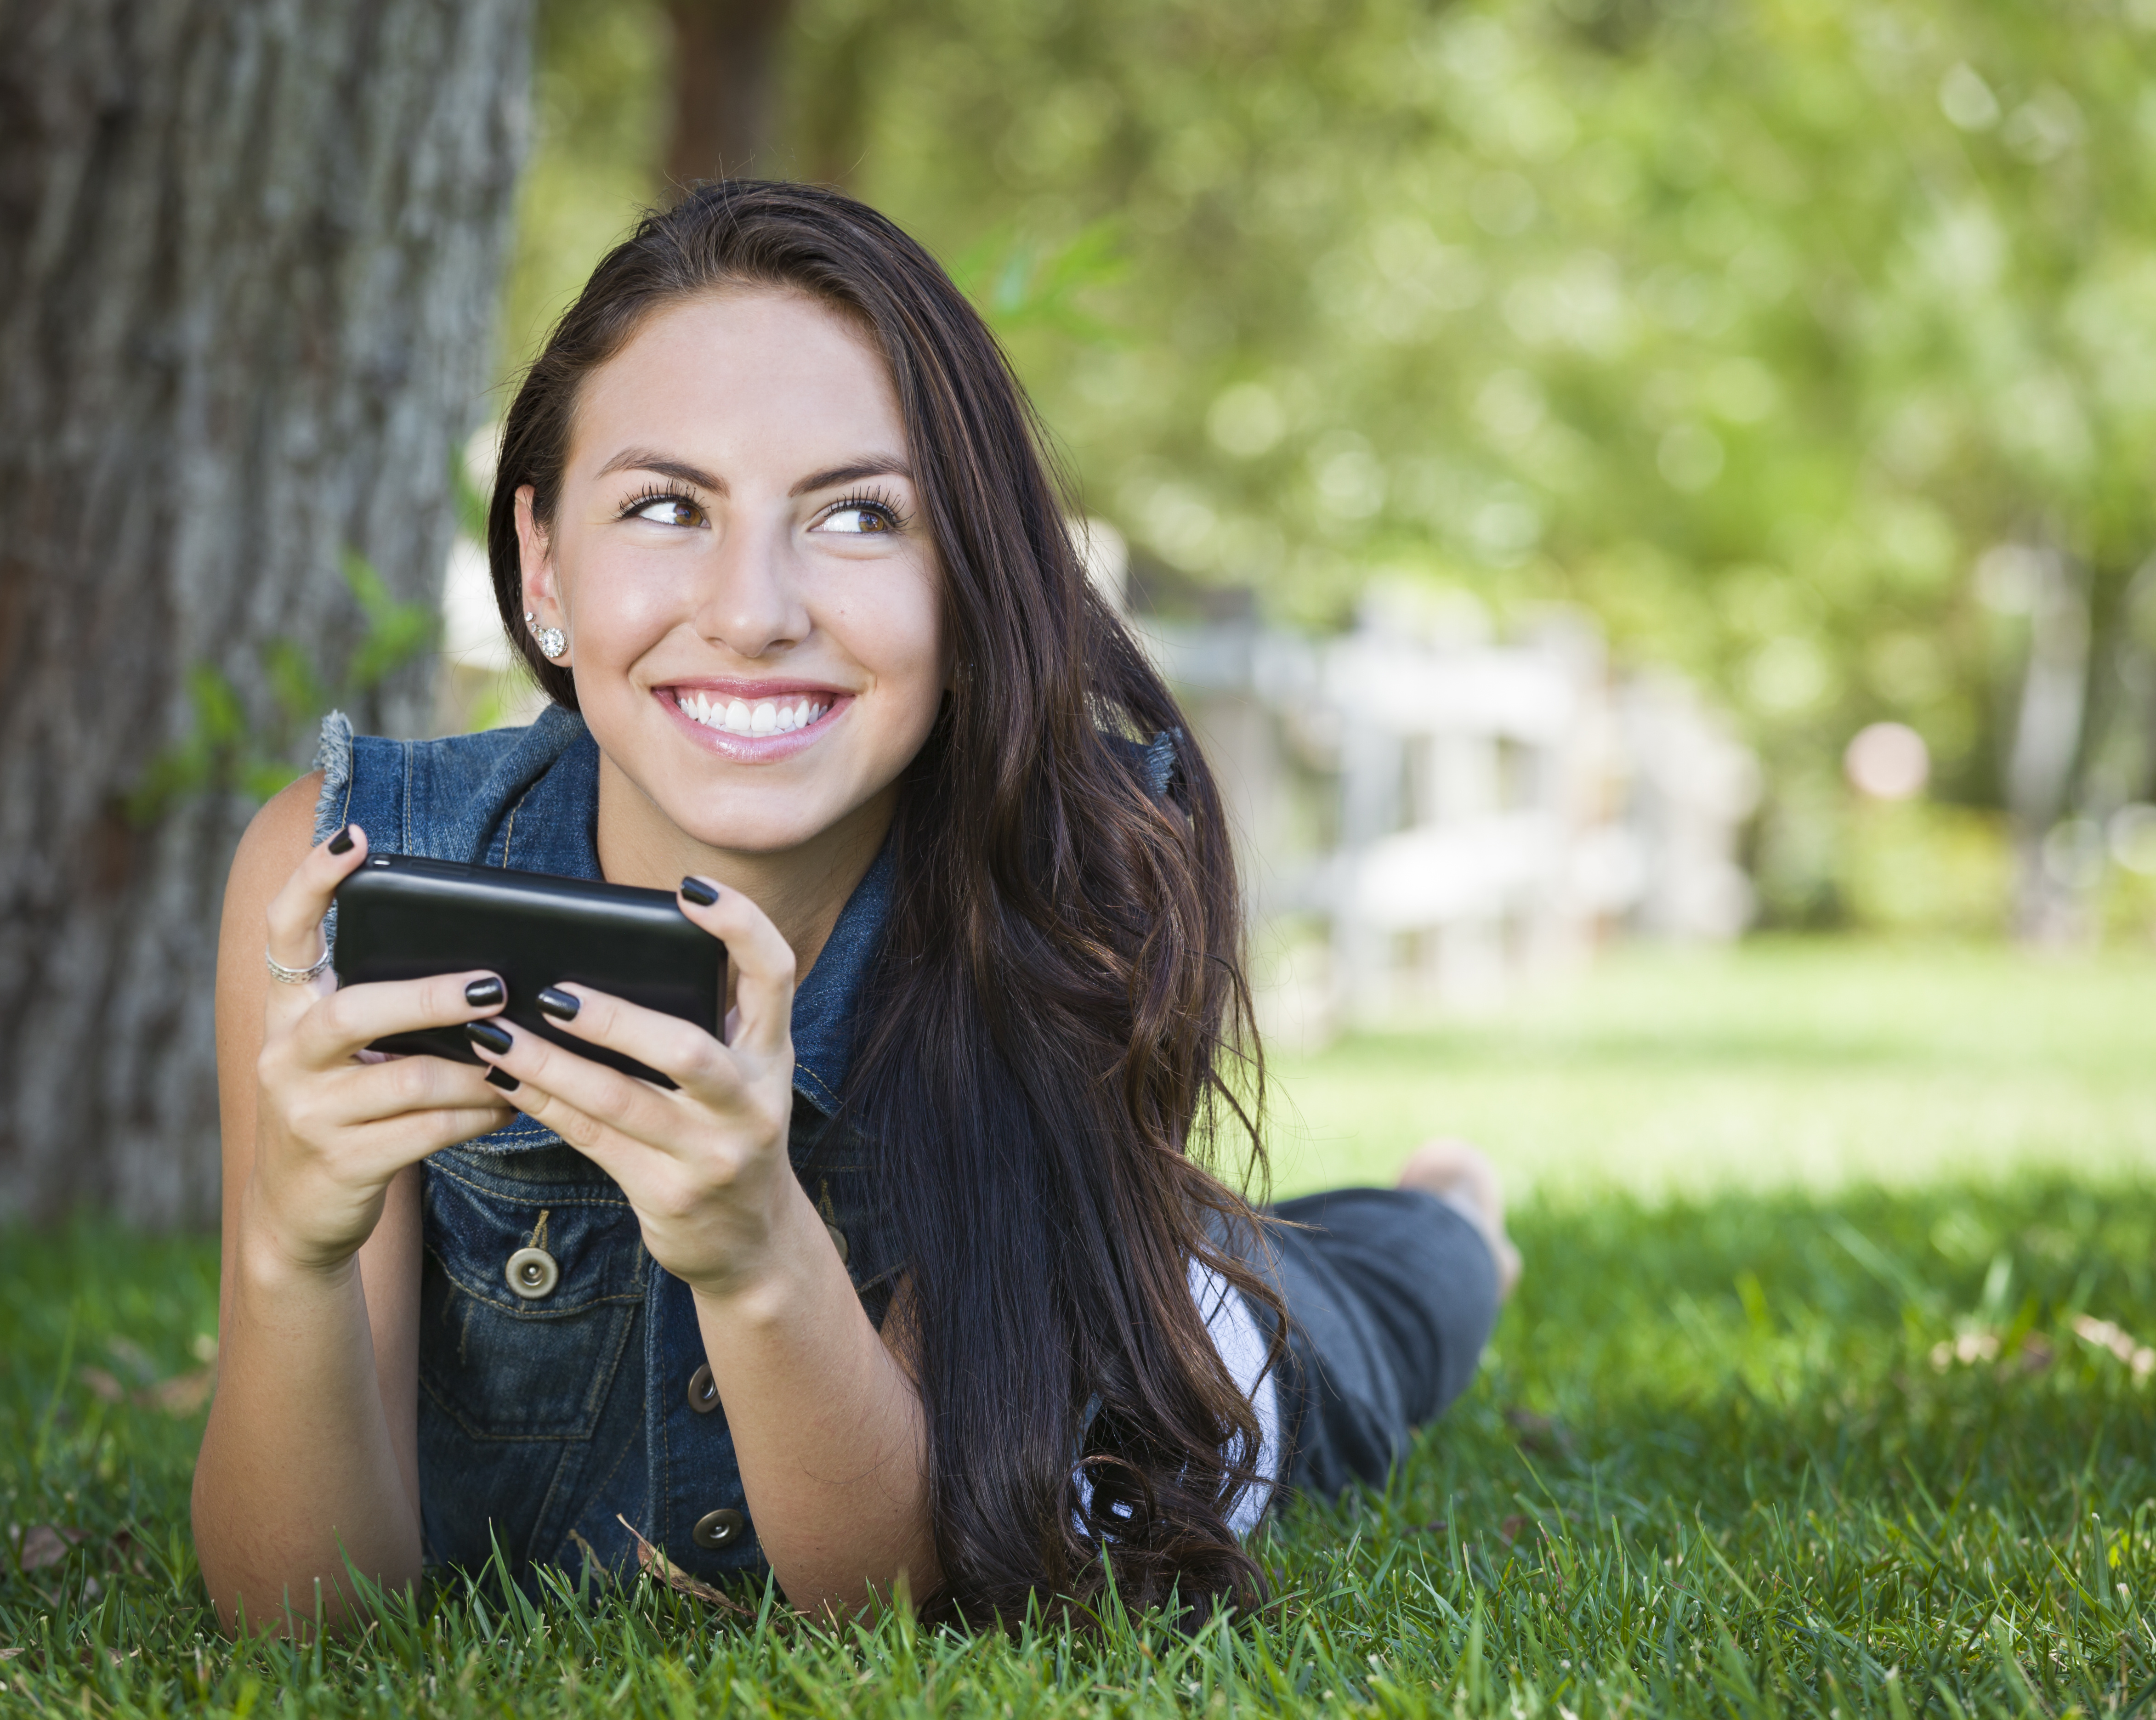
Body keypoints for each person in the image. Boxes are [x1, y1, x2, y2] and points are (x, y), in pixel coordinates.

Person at [193, 180, 1519, 1633]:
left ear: (965, 580)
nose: (753, 609)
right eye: (662, 506)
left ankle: (1449, 1215)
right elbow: (303, 1621)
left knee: (1341, 1317)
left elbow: (893, 1599)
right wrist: (292, 1247)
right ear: (544, 562)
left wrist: (755, 1243)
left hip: (1105, 1364)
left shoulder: (1071, 882)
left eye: (856, 515)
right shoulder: (343, 872)